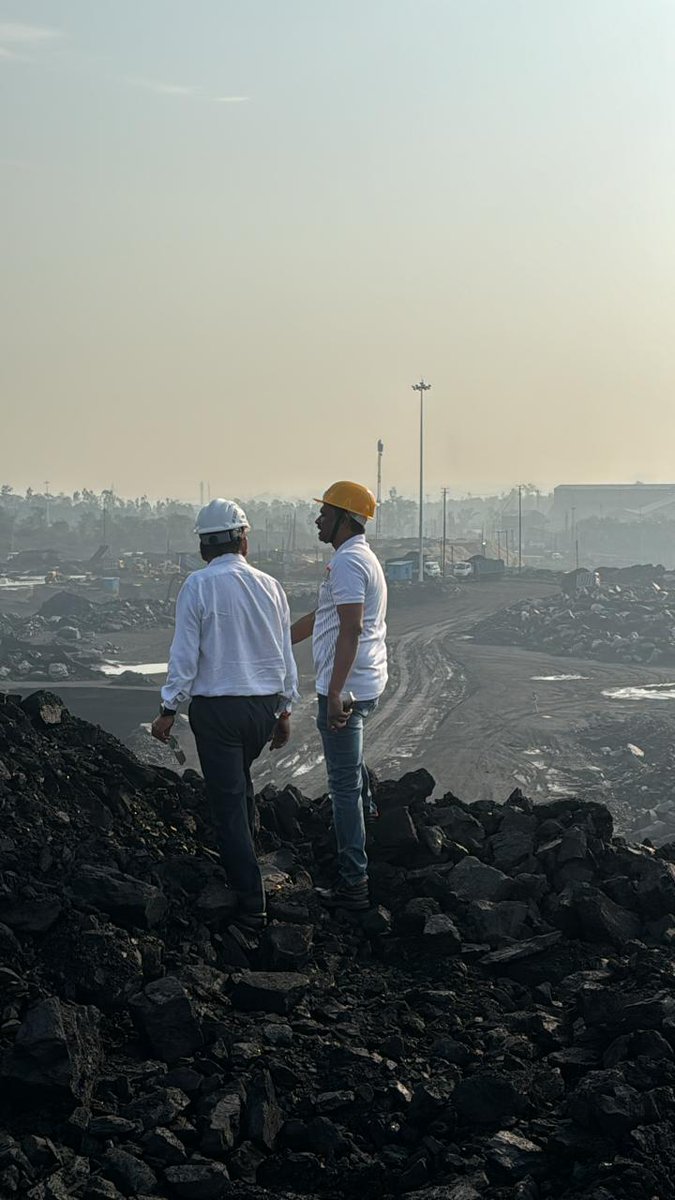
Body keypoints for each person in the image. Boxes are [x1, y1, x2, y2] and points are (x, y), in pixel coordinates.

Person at [152, 498, 298, 931]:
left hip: (218, 711)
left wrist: (167, 709)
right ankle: (249, 857)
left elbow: (184, 655)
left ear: (203, 547)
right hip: (263, 709)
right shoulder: (271, 586)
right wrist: (285, 709)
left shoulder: (197, 586)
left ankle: (251, 903)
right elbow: (284, 654)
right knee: (242, 786)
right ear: (244, 540)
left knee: (229, 802)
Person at [291, 481, 387, 912]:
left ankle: (355, 883)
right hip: (361, 684)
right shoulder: (354, 559)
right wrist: (277, 638)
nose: (318, 519)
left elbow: (351, 628)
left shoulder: (349, 563)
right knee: (352, 770)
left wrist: (334, 694)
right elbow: (326, 616)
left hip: (346, 690)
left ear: (345, 519)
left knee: (342, 786)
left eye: (326, 513)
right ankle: (373, 822)